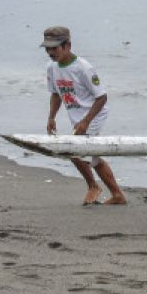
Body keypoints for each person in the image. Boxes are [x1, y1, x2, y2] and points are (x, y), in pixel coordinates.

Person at [41, 26, 127, 206]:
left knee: (73, 150)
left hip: (93, 114)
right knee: (92, 157)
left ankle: (93, 187)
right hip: (77, 117)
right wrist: (51, 117)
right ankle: (117, 195)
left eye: (54, 48)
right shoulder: (51, 68)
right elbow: (56, 94)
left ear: (67, 46)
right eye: (47, 48)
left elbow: (101, 97)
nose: (50, 52)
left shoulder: (83, 68)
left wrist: (86, 121)